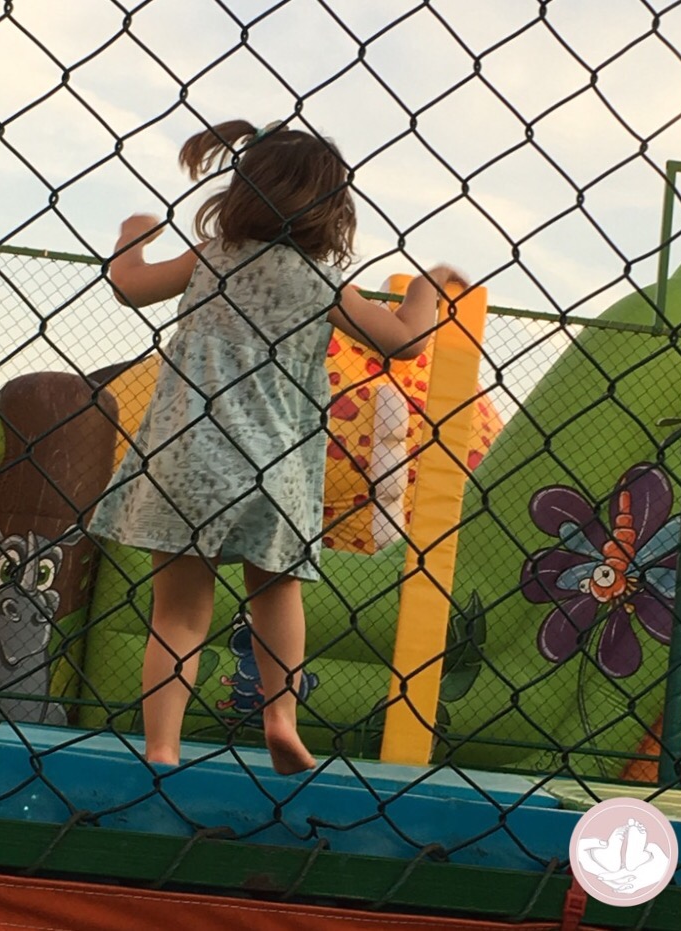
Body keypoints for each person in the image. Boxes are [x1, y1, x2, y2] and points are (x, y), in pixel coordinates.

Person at [89, 118, 467, 775]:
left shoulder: (211, 257)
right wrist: (425, 287)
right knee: (276, 594)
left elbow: (129, 285)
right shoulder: (321, 280)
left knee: (177, 614)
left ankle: (162, 746)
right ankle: (280, 718)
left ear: (241, 190)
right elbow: (405, 340)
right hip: (277, 467)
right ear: (332, 210)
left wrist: (134, 235)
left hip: (187, 457)